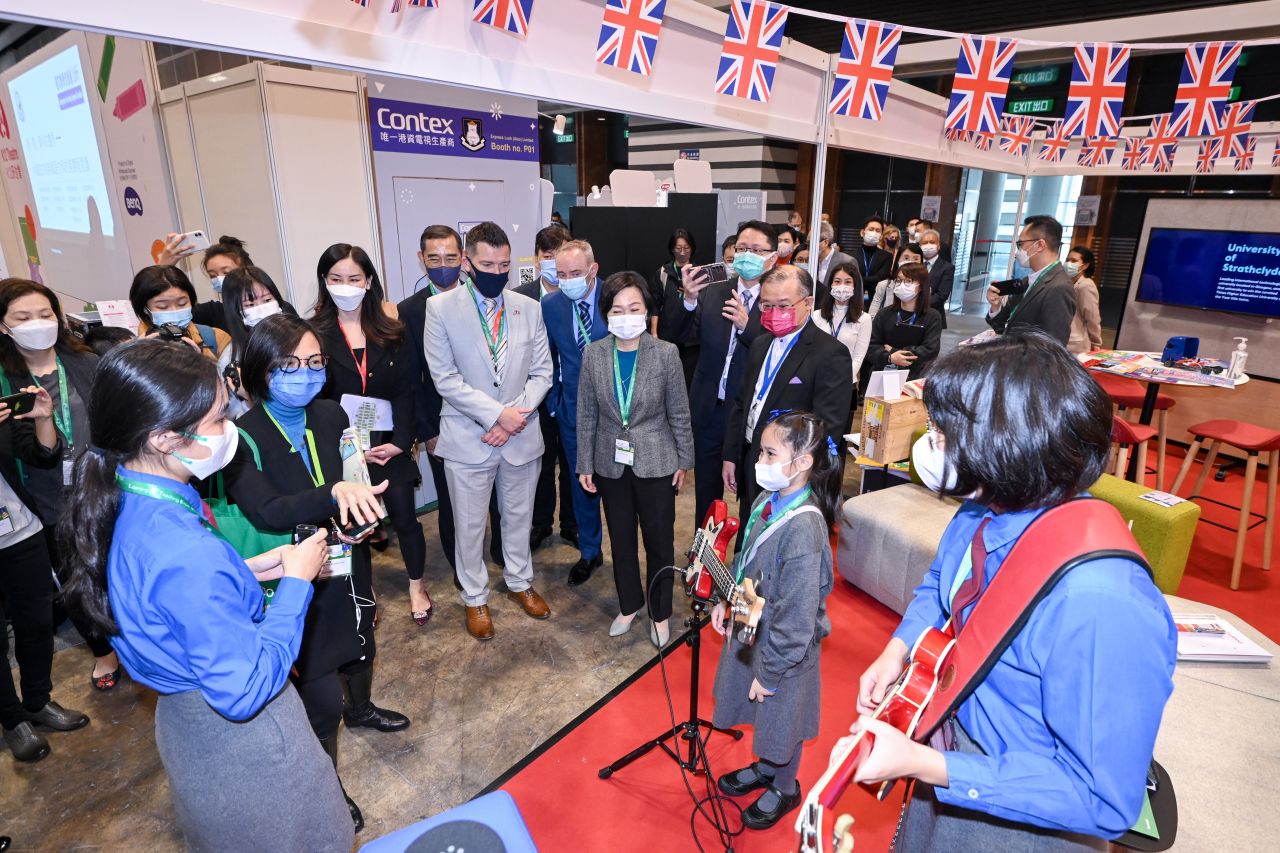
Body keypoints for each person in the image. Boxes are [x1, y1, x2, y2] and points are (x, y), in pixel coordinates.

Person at [853, 333, 1176, 849]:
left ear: (1007, 444)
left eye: (942, 433)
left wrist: (929, 765)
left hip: (1018, 806)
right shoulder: (987, 505)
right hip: (949, 747)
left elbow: (1101, 797)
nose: (930, 446)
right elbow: (942, 584)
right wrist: (899, 650)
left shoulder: (1102, 601)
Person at [59, 338, 352, 851]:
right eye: (218, 418)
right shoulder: (183, 550)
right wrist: (296, 584)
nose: (230, 428)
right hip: (248, 749)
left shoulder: (124, 498)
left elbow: (170, 600)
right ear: (164, 438)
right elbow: (245, 691)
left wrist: (243, 570)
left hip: (188, 727)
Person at [227, 314, 403, 833]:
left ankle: (362, 708)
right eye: (288, 365)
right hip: (296, 572)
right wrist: (332, 496)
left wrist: (361, 518)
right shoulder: (242, 437)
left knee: (362, 642)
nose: (304, 374)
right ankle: (328, 785)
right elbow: (267, 511)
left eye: (313, 363)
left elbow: (353, 477)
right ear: (260, 370)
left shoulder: (330, 414)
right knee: (321, 695)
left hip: (347, 554)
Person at [424, 221, 554, 640]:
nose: (497, 272)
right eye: (487, 265)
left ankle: (520, 581)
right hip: (469, 437)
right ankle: (475, 596)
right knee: (468, 525)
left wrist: (514, 418)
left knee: (518, 517)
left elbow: (542, 372)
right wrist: (498, 416)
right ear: (467, 263)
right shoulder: (440, 309)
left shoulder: (528, 308)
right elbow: (445, 379)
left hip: (521, 435)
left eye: (503, 265)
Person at [711, 411, 839, 830]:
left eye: (769, 453)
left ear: (802, 462)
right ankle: (766, 768)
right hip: (755, 627)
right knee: (765, 718)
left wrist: (771, 670)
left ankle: (785, 786)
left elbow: (798, 617)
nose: (759, 461)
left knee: (784, 719)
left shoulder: (804, 530)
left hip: (785, 647)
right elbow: (746, 559)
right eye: (760, 452)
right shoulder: (768, 500)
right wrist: (727, 599)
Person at [0, 279, 120, 692]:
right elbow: (36, 454)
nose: (37, 323)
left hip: (105, 483)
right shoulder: (5, 382)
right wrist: (43, 420)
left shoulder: (86, 362)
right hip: (46, 497)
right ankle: (103, 651)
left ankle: (138, 637)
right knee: (76, 579)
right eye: (23, 317)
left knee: (119, 566)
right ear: (3, 326)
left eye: (45, 314)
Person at [311, 244, 427, 624]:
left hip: (388, 445)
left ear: (368, 281)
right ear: (325, 282)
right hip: (341, 448)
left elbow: (406, 389)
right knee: (352, 525)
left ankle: (417, 585)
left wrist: (401, 442)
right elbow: (314, 401)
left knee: (405, 519)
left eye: (354, 278)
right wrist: (347, 450)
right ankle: (364, 589)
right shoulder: (313, 334)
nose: (345, 286)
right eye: (336, 279)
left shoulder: (392, 330)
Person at [576, 272, 693, 648]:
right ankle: (629, 605)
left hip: (657, 459)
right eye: (617, 309)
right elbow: (587, 414)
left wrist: (684, 460)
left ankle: (660, 612)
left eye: (634, 308)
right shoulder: (594, 354)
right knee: (621, 540)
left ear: (646, 311)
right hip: (610, 462)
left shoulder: (666, 354)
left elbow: (679, 412)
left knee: (659, 541)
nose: (625, 316)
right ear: (606, 314)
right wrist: (584, 463)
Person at [399, 225, 505, 587]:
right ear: (421, 259)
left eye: (450, 258)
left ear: (463, 259)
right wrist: (427, 431)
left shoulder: (484, 298)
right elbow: (413, 379)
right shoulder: (410, 311)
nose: (443, 266)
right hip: (443, 425)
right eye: (434, 259)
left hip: (492, 419)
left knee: (499, 496)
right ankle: (463, 570)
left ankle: (502, 554)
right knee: (454, 502)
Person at [1, 372, 89, 763]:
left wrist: (42, 417)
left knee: (38, 622)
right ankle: (13, 719)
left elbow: (41, 455)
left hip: (20, 528)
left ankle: (37, 700)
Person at [663, 220, 772, 527]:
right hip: (709, 409)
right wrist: (688, 299)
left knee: (751, 493)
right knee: (707, 495)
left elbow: (776, 353)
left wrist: (748, 327)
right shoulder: (715, 291)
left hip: (748, 415)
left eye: (756, 250)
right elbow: (681, 333)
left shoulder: (776, 300)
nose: (747, 255)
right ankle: (704, 551)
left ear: (772, 257)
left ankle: (746, 552)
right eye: (742, 248)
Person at [723, 265, 852, 515]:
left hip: (791, 474)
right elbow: (742, 403)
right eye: (766, 306)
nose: (774, 313)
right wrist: (731, 455)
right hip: (752, 458)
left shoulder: (830, 354)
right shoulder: (760, 343)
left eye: (783, 306)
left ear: (808, 303)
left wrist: (796, 475)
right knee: (751, 526)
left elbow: (828, 426)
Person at [543, 239, 610, 586]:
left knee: (618, 488)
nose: (567, 280)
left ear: (592, 270)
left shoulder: (615, 298)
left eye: (575, 273)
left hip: (615, 415)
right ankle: (589, 551)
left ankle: (625, 551)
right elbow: (549, 357)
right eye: (561, 274)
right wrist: (555, 400)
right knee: (581, 484)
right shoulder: (550, 305)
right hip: (572, 412)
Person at [516, 225, 577, 552]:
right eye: (548, 256)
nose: (553, 263)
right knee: (539, 465)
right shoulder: (519, 296)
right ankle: (540, 524)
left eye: (560, 254)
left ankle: (571, 524)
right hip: (533, 398)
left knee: (572, 464)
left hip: (571, 395)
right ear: (537, 259)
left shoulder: (578, 293)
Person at [219, 266, 295, 420]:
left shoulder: (299, 338)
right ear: (235, 311)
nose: (261, 308)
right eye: (250, 305)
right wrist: (248, 397)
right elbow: (231, 414)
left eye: (267, 300)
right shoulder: (231, 359)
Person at [986, 215, 1076, 346]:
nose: (1018, 251)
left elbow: (1054, 345)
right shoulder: (1026, 281)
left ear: (1039, 245)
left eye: (1021, 244)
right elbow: (1000, 327)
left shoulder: (1059, 287)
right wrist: (996, 306)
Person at [130, 265, 230, 362]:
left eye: (182, 303)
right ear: (145, 309)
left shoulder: (215, 338)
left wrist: (202, 363)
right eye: (163, 306)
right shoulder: (130, 348)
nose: (174, 311)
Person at [156, 233, 254, 331]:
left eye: (226, 272)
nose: (219, 278)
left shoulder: (262, 307)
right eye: (213, 275)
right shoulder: (213, 312)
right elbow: (166, 315)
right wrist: (162, 267)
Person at [867, 262, 943, 381]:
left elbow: (930, 350)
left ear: (921, 286)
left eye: (908, 281)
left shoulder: (932, 316)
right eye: (898, 281)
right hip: (883, 373)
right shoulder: (884, 313)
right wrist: (890, 357)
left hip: (916, 376)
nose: (902, 285)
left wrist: (894, 351)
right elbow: (871, 346)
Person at [812, 262, 872, 393]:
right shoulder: (816, 315)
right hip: (817, 380)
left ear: (855, 286)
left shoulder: (864, 319)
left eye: (848, 282)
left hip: (846, 383)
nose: (842, 286)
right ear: (831, 284)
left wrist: (842, 379)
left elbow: (858, 357)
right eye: (837, 281)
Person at [649, 226, 696, 319]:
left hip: (691, 325)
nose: (682, 252)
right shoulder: (663, 273)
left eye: (686, 248)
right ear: (672, 249)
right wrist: (654, 328)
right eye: (678, 248)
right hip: (667, 326)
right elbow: (655, 306)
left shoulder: (698, 273)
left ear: (692, 248)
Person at [1066, 246, 1103, 354]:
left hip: (1077, 345)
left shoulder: (1086, 286)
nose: (1069, 263)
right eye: (1068, 260)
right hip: (1065, 340)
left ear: (1085, 265)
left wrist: (1096, 342)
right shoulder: (1068, 283)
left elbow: (1092, 316)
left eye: (1074, 261)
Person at [869, 243, 923, 316]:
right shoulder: (884, 285)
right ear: (898, 261)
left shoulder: (924, 287)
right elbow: (872, 315)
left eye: (915, 259)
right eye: (906, 258)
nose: (910, 262)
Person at [919, 228, 956, 327]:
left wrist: (918, 305)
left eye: (932, 242)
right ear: (920, 246)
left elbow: (942, 295)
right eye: (924, 243)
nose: (928, 245)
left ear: (938, 245)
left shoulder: (947, 267)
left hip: (933, 316)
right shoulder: (915, 264)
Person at [854, 216, 895, 288]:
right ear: (862, 233)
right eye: (871, 229)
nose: (874, 233)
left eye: (878, 231)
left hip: (876, 293)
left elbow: (880, 278)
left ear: (881, 236)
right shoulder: (851, 255)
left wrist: (858, 280)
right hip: (856, 292)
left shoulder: (887, 256)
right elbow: (851, 277)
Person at [814, 221, 852, 291]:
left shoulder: (847, 261)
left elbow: (856, 290)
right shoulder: (811, 261)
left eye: (812, 242)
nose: (808, 247)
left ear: (825, 242)